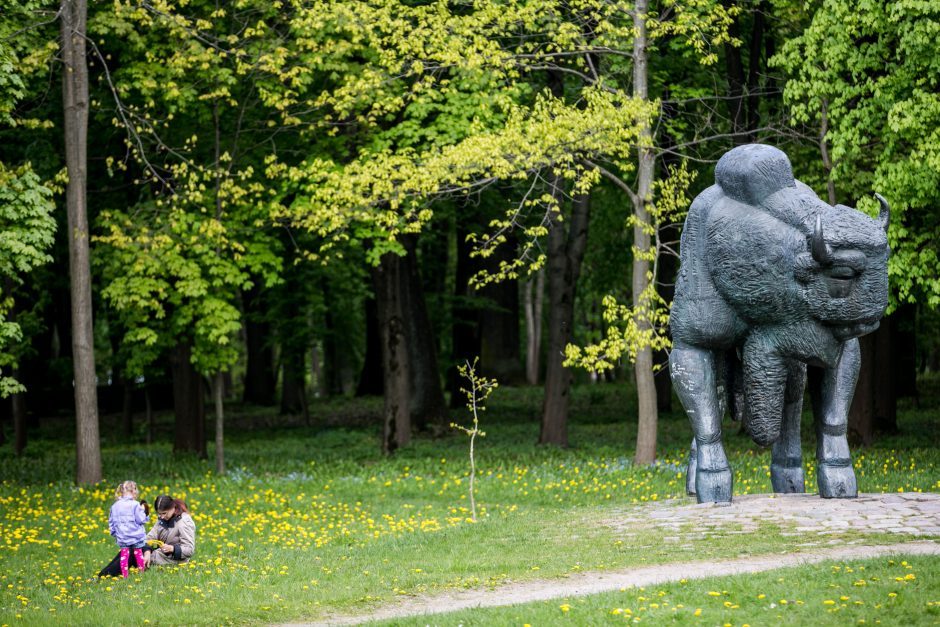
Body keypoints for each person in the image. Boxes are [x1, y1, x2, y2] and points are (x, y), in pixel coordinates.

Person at [99, 481, 150, 578]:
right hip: (136, 536)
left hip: (122, 537)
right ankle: (141, 572)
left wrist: (114, 533)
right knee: (138, 552)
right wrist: (145, 512)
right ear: (133, 490)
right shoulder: (135, 505)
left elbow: (112, 521)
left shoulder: (115, 506)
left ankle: (125, 575)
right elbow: (141, 520)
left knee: (124, 555)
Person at [146, 495, 196, 566]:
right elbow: (150, 537)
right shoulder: (162, 518)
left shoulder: (184, 522)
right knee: (136, 552)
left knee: (140, 558)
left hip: (176, 558)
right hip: (161, 553)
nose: (162, 517)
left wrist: (172, 549)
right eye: (159, 514)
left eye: (164, 513)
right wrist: (146, 550)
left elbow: (189, 550)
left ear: (173, 508)